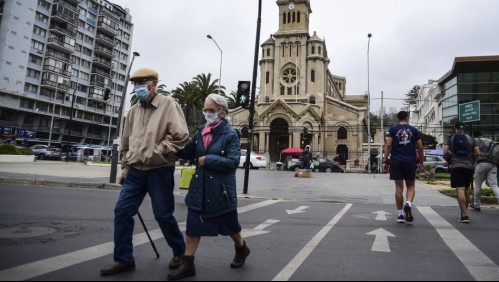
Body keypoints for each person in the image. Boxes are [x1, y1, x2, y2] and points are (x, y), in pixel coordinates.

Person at [100, 68, 190, 275]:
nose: (138, 86)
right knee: (122, 212)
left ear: (154, 83)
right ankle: (124, 259)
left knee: (163, 215)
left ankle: (180, 252)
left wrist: (158, 151)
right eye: (135, 83)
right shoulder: (132, 111)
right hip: (134, 172)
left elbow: (181, 137)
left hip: (159, 170)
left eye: (142, 81)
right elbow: (125, 143)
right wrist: (124, 167)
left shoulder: (169, 105)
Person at [168, 94, 250, 280]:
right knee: (193, 226)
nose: (207, 113)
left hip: (220, 191)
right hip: (199, 189)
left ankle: (241, 248)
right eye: (205, 109)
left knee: (231, 228)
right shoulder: (201, 132)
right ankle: (188, 263)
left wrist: (207, 159)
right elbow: (188, 152)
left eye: (211, 110)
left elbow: (232, 161)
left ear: (222, 112)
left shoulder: (230, 135)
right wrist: (173, 143)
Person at [383, 111, 424, 224]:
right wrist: (421, 161)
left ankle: (400, 214)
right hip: (410, 161)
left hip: (396, 161)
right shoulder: (414, 130)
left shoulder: (392, 129)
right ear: (407, 118)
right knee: (410, 186)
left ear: (397, 118)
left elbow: (388, 145)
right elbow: (420, 147)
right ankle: (408, 204)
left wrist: (385, 160)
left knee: (398, 187)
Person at [443, 121, 479, 223]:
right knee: (466, 189)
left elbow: (445, 152)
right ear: (464, 128)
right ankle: (464, 213)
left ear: (455, 128)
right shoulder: (470, 138)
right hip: (468, 167)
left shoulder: (450, 138)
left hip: (456, 165)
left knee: (460, 190)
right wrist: (470, 158)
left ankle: (464, 215)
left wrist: (450, 160)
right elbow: (477, 152)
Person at [471, 130, 499, 211]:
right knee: (494, 185)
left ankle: (476, 205)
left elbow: (474, 153)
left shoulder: (474, 141)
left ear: (474, 135)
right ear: (482, 134)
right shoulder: (490, 141)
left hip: (481, 164)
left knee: (478, 184)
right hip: (493, 164)